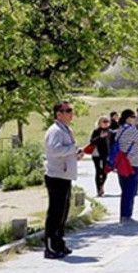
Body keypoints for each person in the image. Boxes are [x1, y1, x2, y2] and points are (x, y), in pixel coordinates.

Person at [43, 100, 83, 259]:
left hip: (64, 175)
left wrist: (75, 154)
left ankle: (59, 242)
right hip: (56, 176)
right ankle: (50, 247)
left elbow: (65, 152)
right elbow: (54, 150)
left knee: (63, 212)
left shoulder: (64, 129)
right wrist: (72, 149)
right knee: (55, 212)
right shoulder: (55, 131)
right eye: (67, 110)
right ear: (58, 114)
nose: (70, 113)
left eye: (70, 110)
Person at [116, 109, 138, 225]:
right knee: (130, 191)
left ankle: (125, 215)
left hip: (123, 163)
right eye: (133, 117)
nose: (135, 119)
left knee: (126, 190)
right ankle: (126, 216)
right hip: (133, 163)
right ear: (128, 118)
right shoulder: (131, 130)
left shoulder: (121, 129)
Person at [88, 115, 113, 197]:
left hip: (106, 153)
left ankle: (102, 185)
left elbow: (112, 143)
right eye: (104, 121)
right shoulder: (96, 131)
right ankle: (98, 189)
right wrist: (100, 137)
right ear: (99, 123)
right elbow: (92, 141)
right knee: (98, 170)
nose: (106, 123)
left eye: (107, 121)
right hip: (97, 153)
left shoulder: (110, 132)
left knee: (105, 171)